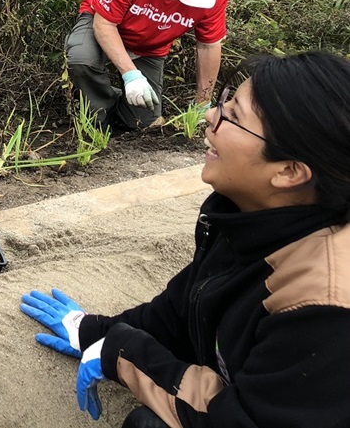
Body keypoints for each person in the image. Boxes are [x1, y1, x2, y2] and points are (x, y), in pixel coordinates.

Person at [21, 50, 350, 427]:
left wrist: (123, 354)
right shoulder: (248, 216)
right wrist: (92, 330)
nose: (211, 115)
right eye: (224, 101)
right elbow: (182, 310)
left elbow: (245, 420)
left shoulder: (326, 308)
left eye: (233, 115)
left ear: (289, 172)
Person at [65, 0, 228, 131]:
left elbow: (208, 45)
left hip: (150, 44)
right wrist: (131, 75)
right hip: (104, 21)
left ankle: (116, 101)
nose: (189, 1)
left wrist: (203, 104)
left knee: (144, 121)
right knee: (82, 58)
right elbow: (105, 24)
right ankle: (95, 119)